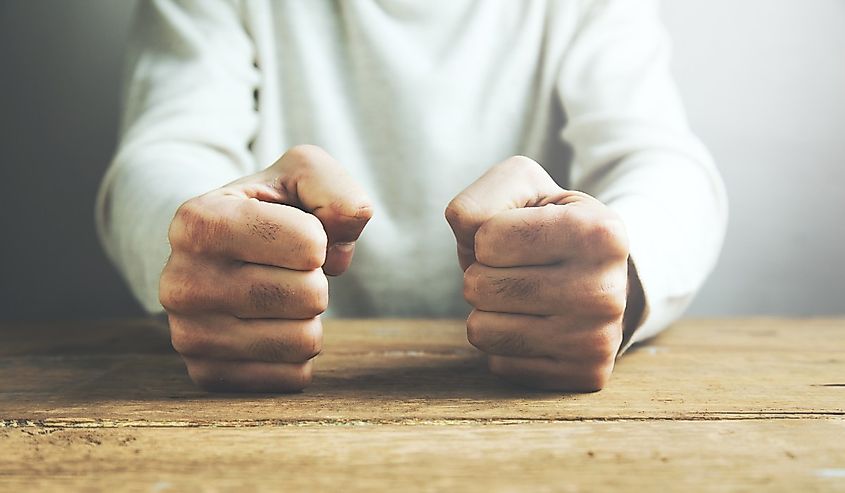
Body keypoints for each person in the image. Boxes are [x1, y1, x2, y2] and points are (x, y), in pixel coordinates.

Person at [96, 0, 728, 393]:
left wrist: (622, 278)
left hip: (526, 410)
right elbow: (165, 150)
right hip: (271, 415)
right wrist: (198, 240)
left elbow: (657, 155)